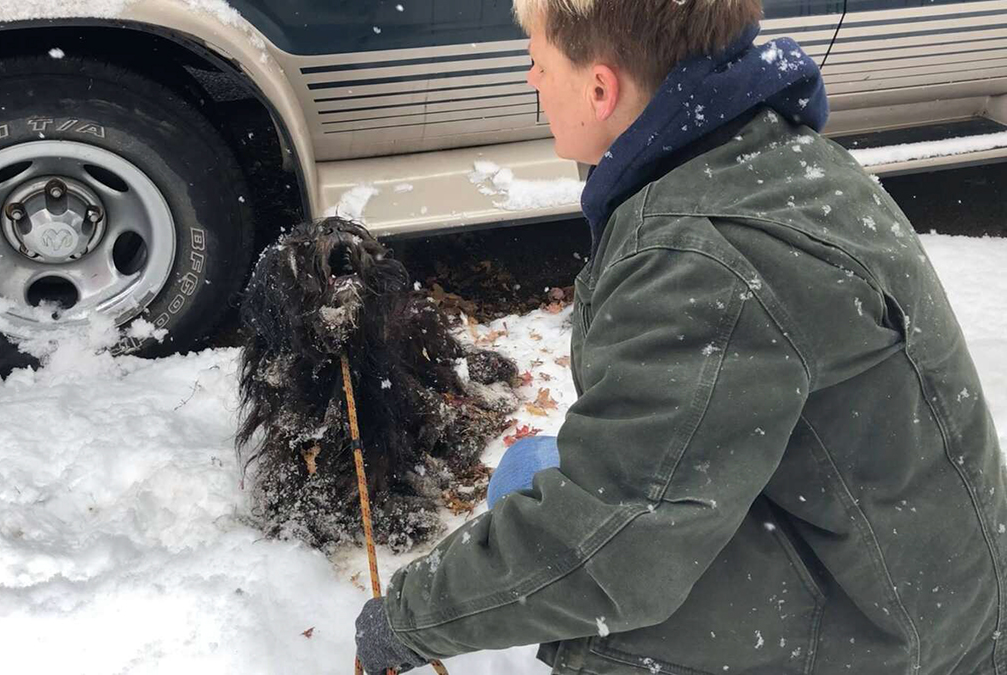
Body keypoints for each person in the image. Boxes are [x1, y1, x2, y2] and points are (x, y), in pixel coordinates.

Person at [354, 0, 1007, 673]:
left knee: (585, 566)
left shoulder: (700, 260)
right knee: (530, 471)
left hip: (895, 640)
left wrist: (407, 621)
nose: (532, 81)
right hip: (916, 579)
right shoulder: (763, 151)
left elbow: (611, 543)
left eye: (539, 63)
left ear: (600, 89)